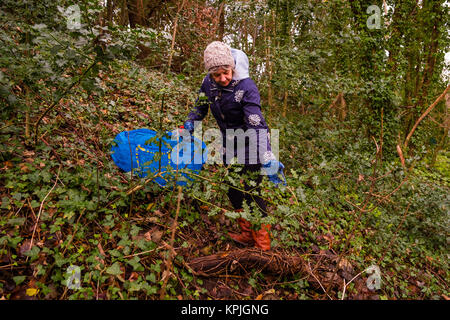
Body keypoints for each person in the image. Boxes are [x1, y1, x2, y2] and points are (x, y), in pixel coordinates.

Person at [183, 41, 285, 251]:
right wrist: (191, 122)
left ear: (233, 67)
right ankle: (247, 234)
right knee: (233, 189)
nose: (223, 78)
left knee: (252, 191)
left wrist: (267, 156)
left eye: (226, 72)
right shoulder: (207, 84)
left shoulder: (246, 87)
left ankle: (262, 244)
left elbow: (255, 122)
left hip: (252, 145)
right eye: (216, 75)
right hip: (229, 144)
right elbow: (201, 106)